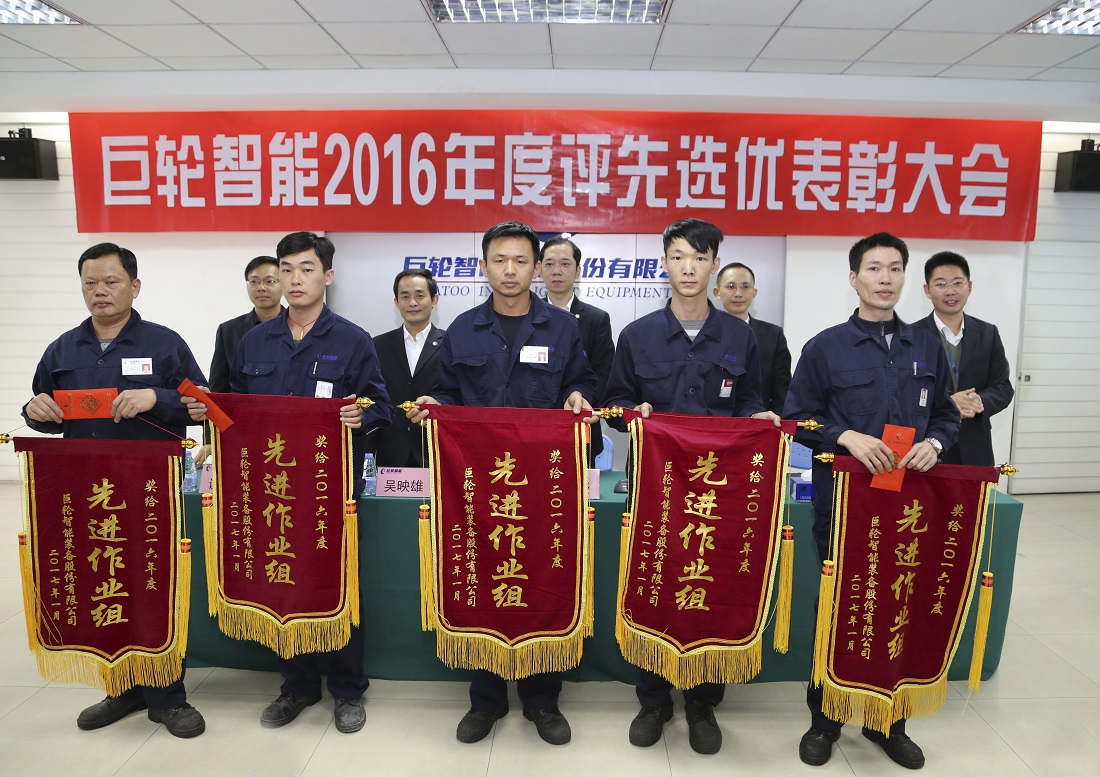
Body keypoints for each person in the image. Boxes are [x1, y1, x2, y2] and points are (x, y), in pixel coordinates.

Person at [185, 232, 392, 735]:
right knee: (280, 579)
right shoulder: (254, 341)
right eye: (286, 269)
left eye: (306, 268)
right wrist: (206, 411)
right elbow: (233, 412)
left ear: (328, 275)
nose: (294, 279)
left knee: (338, 585)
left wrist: (361, 415)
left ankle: (348, 689)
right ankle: (296, 686)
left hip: (328, 489)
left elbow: (381, 406)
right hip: (269, 487)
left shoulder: (352, 340)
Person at [406, 221, 598, 747]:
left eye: (520, 261)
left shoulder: (562, 328)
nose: (510, 270)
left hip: (544, 485)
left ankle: (542, 699)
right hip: (478, 484)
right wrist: (436, 405)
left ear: (536, 268)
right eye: (499, 260)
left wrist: (578, 396)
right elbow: (446, 391)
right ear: (483, 266)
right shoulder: (463, 329)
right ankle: (486, 700)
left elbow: (582, 381)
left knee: (544, 577)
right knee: (483, 576)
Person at [784, 232, 961, 770]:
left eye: (895, 268)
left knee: (899, 606)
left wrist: (935, 443)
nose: (885, 278)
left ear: (905, 276)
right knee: (840, 606)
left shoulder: (926, 346)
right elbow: (797, 419)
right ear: (854, 278)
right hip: (845, 504)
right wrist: (844, 436)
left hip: (910, 508)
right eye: (874, 268)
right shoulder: (825, 347)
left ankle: (888, 721)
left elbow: (947, 414)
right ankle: (825, 719)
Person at [603, 218, 779, 755]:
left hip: (718, 490)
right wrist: (632, 412)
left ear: (714, 264)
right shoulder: (637, 335)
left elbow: (750, 400)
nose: (688, 268)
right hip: (655, 488)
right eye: (678, 257)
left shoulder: (740, 335)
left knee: (711, 581)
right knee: (653, 580)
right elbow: (615, 404)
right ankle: (653, 699)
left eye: (700, 258)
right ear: (664, 263)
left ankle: (702, 700)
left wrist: (760, 418)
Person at [22, 242, 207, 739]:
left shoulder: (164, 344)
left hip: (148, 491)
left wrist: (157, 397)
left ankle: (167, 697)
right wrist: (35, 410)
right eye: (90, 283)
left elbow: (203, 404)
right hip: (85, 492)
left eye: (111, 282)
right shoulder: (63, 348)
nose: (99, 291)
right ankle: (121, 688)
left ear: (134, 286)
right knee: (102, 581)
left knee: (153, 585)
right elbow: (41, 407)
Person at [914, 252, 1014, 466]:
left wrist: (977, 401)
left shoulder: (988, 333)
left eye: (957, 283)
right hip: (926, 448)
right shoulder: (910, 337)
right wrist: (948, 404)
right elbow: (899, 394)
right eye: (941, 284)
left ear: (969, 286)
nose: (950, 291)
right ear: (927, 290)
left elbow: (1003, 388)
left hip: (976, 447)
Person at [539, 235, 616, 463]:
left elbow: (604, 374)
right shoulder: (525, 316)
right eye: (549, 264)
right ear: (539, 269)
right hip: (536, 428)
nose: (557, 271)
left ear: (578, 270)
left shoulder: (596, 319)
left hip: (581, 426)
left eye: (565, 264)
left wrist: (581, 399)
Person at [372, 269, 445, 467]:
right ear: (396, 302)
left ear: (434, 299)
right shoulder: (378, 345)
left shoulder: (451, 344)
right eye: (405, 296)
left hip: (436, 452)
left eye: (420, 295)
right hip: (390, 454)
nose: (412, 303)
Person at [713, 261, 792, 415]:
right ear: (717, 292)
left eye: (745, 286)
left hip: (758, 422)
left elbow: (782, 393)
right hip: (715, 422)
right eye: (730, 286)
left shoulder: (773, 335)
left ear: (754, 293)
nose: (738, 293)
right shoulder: (704, 333)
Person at [208, 255, 283, 394]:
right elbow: (219, 388)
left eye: (270, 281)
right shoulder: (228, 331)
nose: (261, 287)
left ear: (284, 285)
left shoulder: (298, 327)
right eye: (254, 281)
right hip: (242, 407)